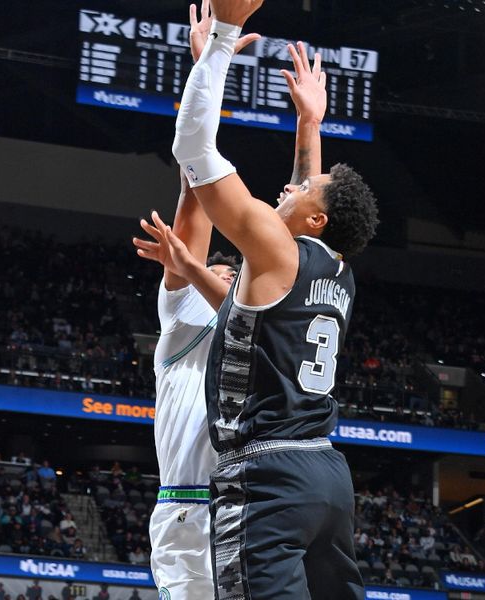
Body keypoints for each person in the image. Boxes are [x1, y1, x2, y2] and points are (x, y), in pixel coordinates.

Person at [170, 1, 379, 599]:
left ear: (313, 216)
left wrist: (220, 43)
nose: (288, 185)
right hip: (327, 479)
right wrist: (308, 126)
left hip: (268, 474)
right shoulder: (337, 269)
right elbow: (312, 210)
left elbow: (196, 151)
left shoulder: (281, 254)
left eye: (302, 188)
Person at [130, 5, 254, 599]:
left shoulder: (261, 323)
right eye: (223, 267)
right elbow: (195, 192)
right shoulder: (185, 316)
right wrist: (206, 62)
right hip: (186, 509)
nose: (231, 272)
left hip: (246, 507)